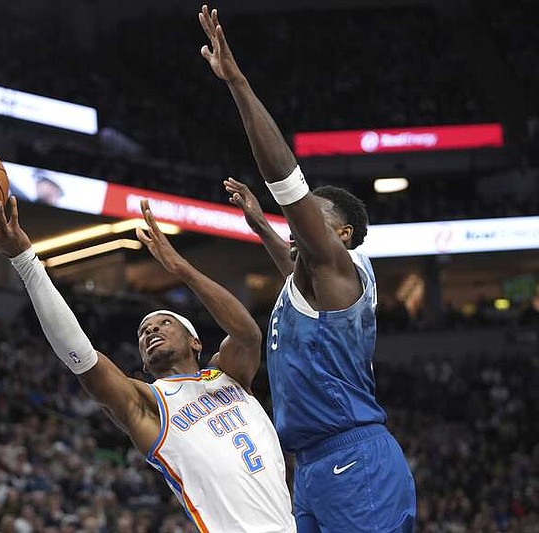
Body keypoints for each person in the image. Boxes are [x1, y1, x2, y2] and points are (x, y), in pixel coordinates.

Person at [199, 5, 417, 531]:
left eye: (313, 217)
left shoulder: (341, 269)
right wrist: (260, 226)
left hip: (355, 459)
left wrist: (238, 84)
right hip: (313, 467)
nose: (298, 222)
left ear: (341, 235)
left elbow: (284, 175)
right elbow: (290, 265)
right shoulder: (313, 282)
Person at [0, 197, 296, 532]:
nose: (151, 329)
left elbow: (249, 334)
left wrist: (181, 269)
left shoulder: (228, 375)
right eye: (143, 331)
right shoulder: (148, 404)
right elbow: (80, 357)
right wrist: (25, 260)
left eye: (165, 322)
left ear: (196, 342)